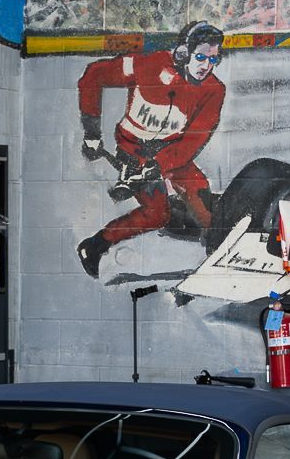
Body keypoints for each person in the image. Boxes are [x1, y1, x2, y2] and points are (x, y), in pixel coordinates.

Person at [75, 22, 228, 279]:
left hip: (174, 153)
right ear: (183, 53)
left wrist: (158, 165)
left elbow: (194, 140)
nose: (206, 66)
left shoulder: (214, 91)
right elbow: (93, 76)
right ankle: (95, 245)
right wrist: (91, 133)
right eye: (201, 57)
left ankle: (218, 255)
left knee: (201, 198)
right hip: (134, 149)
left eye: (213, 59)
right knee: (156, 215)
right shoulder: (146, 64)